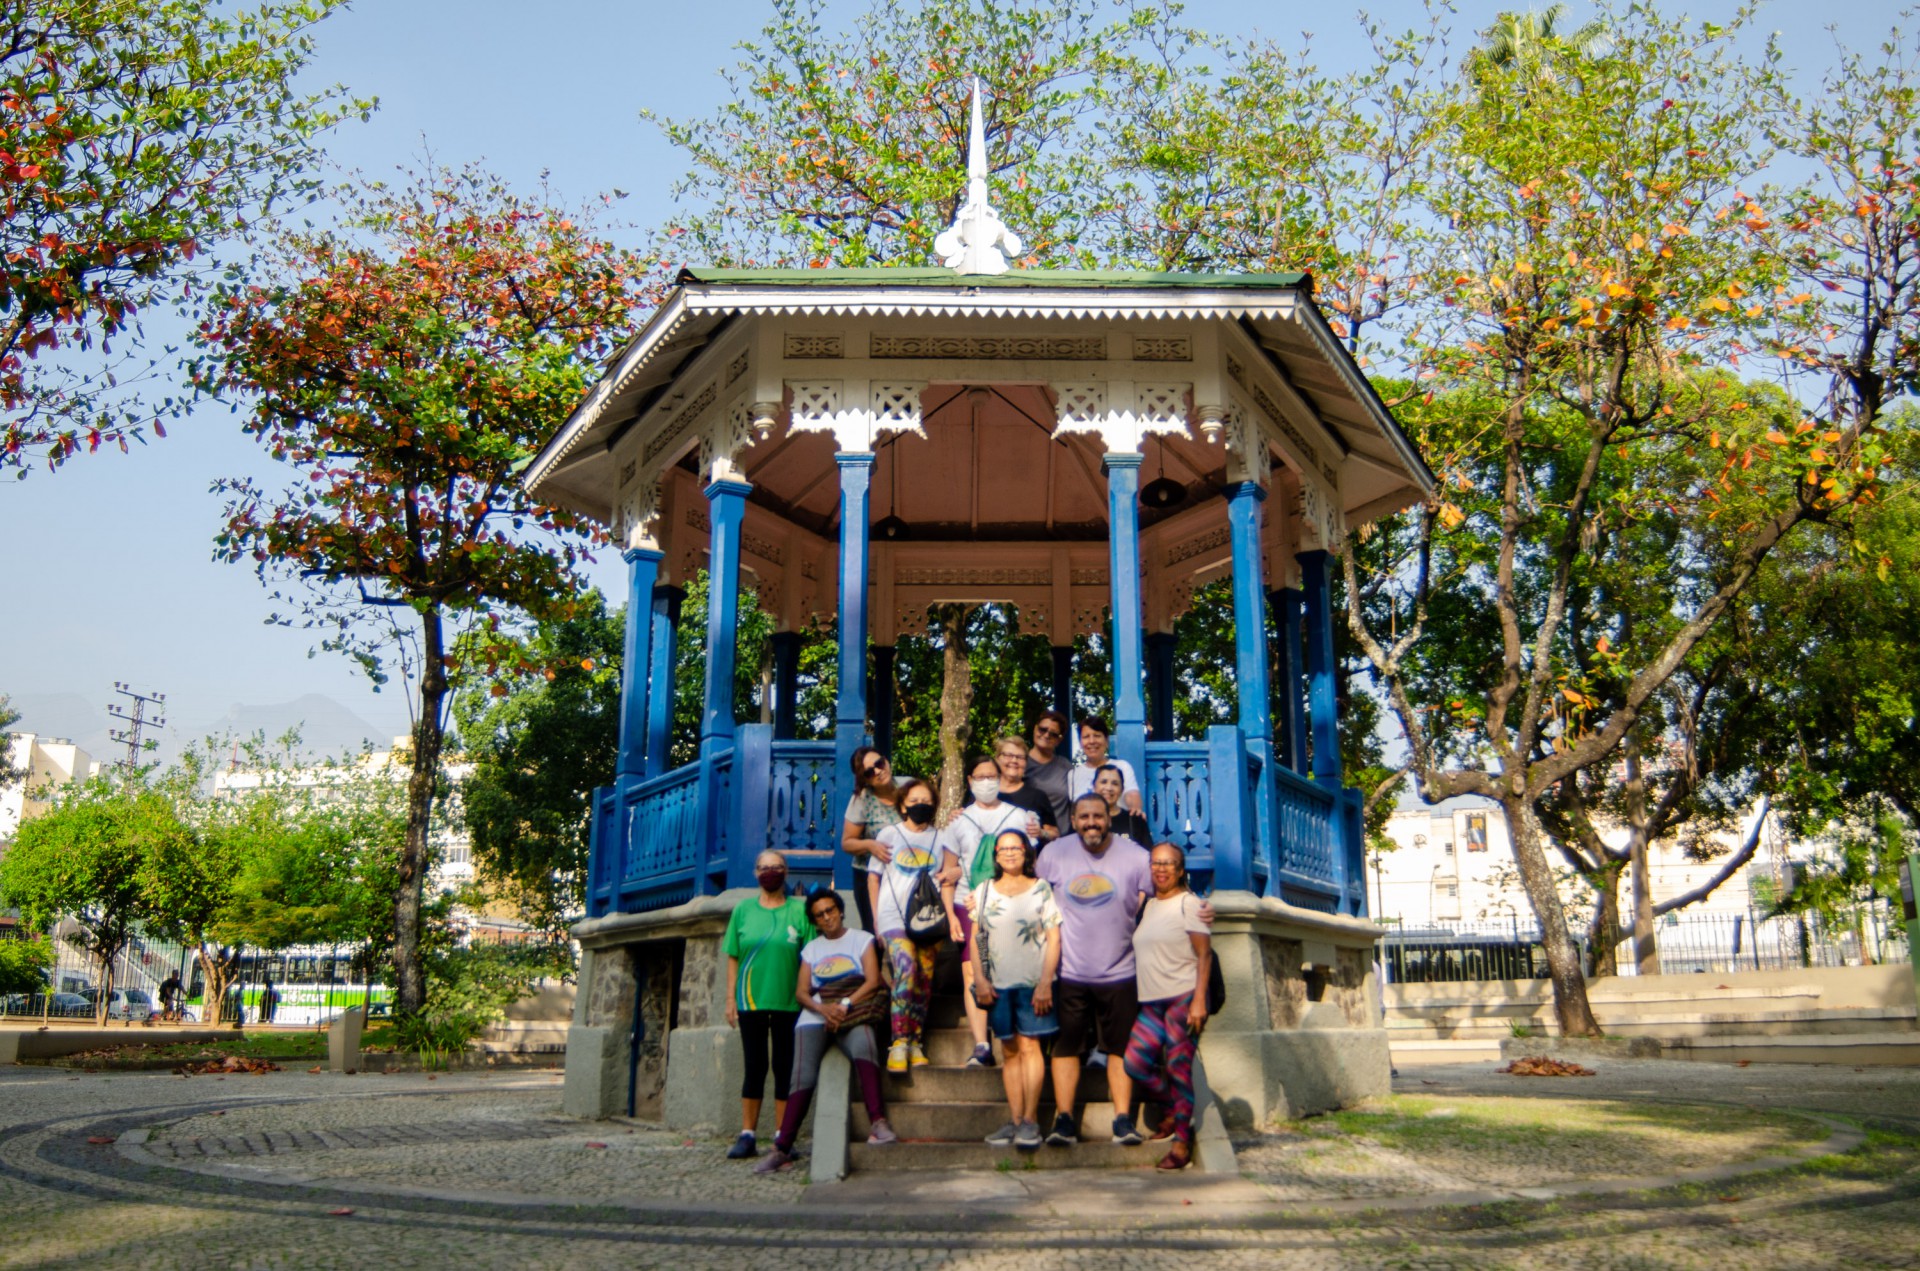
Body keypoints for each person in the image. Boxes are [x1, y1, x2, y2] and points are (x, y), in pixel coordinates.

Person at [1035, 794, 1154, 1146]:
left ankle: (1122, 1121)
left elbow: (1159, 895)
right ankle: (1064, 1120)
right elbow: (1032, 901)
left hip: (1121, 972)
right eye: (1084, 816)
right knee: (1066, 1048)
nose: (1091, 823)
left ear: (1109, 818)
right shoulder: (1054, 853)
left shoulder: (1136, 856)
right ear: (1073, 820)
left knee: (1119, 1048)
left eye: (1098, 816)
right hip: (1068, 972)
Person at [755, 888, 896, 1174]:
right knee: (802, 1074)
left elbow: (872, 980)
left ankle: (878, 1122)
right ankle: (782, 1147)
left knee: (865, 1046)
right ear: (815, 921)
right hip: (818, 1013)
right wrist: (824, 1011)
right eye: (820, 915)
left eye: (830, 910)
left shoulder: (862, 939)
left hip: (853, 1008)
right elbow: (802, 993)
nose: (827, 917)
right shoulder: (811, 949)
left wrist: (843, 1006)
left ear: (840, 910)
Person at [968, 829, 1062, 1150]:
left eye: (1016, 848)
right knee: (1008, 1052)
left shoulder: (1041, 889)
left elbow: (1054, 939)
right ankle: (1015, 1117)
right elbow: (975, 938)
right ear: (995, 855)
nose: (1010, 854)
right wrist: (980, 980)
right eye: (1003, 849)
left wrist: (1047, 981)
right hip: (998, 986)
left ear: (1026, 853)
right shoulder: (982, 892)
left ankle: (1031, 1121)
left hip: (1033, 985)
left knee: (1031, 1049)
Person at [940, 753, 1035, 1068]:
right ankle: (981, 1044)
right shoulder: (957, 821)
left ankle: (1016, 1035)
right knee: (972, 969)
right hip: (967, 904)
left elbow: (1033, 862)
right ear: (969, 781)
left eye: (991, 776)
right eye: (979, 777)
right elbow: (947, 872)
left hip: (1010, 900)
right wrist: (951, 915)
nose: (986, 782)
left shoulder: (1019, 816)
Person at [1125, 842, 1213, 1170]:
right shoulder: (1148, 905)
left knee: (1178, 1067)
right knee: (1135, 1062)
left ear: (1180, 869)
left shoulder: (1190, 904)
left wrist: (1199, 1001)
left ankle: (1181, 1142)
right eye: (1156, 863)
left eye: (1169, 864)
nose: (1161, 869)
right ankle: (1174, 1110)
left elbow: (1204, 954)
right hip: (1151, 1001)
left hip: (1183, 998)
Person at [722, 850, 812, 1160]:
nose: (769, 872)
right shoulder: (743, 911)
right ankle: (747, 1134)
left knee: (785, 1067)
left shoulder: (799, 912)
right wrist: (730, 998)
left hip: (789, 1002)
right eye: (763, 867)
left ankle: (781, 1137)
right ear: (755, 872)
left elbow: (809, 957)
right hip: (751, 999)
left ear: (786, 872)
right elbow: (733, 955)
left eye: (776, 867)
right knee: (755, 1066)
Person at [866, 777, 942, 1072]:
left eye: (926, 801)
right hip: (892, 914)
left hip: (928, 918)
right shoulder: (888, 834)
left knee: (923, 981)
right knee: (907, 969)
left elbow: (951, 870)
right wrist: (875, 919)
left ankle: (916, 1041)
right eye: (913, 801)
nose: (920, 805)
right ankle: (898, 1040)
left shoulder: (942, 836)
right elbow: (873, 877)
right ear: (902, 805)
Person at [841, 745, 911, 932]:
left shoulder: (909, 787)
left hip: (907, 873)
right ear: (865, 780)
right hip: (870, 875)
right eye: (870, 772)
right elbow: (847, 842)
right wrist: (870, 845)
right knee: (875, 932)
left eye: (880, 763)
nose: (879, 771)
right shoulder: (862, 799)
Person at [982, 734, 1058, 843]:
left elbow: (1055, 833)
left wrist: (1041, 833)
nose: (1014, 760)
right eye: (1008, 755)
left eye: (1020, 757)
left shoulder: (1037, 796)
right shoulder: (982, 792)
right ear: (997, 759)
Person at [1067, 717, 1144, 815]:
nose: (1092, 741)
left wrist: (1135, 810)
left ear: (1106, 740)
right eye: (1086, 737)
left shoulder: (1122, 766)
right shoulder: (1073, 775)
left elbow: (1131, 794)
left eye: (1097, 735)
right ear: (1080, 743)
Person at [1025, 710, 1074, 831]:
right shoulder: (1018, 763)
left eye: (1053, 734)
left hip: (1059, 842)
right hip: (1022, 840)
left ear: (1059, 740)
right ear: (1035, 728)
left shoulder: (1066, 767)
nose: (1046, 735)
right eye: (1043, 729)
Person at [1092, 763, 1151, 847]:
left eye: (1115, 783)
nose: (1109, 788)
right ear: (1094, 786)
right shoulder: (1084, 820)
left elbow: (1147, 855)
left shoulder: (1135, 820)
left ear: (1122, 789)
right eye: (1104, 782)